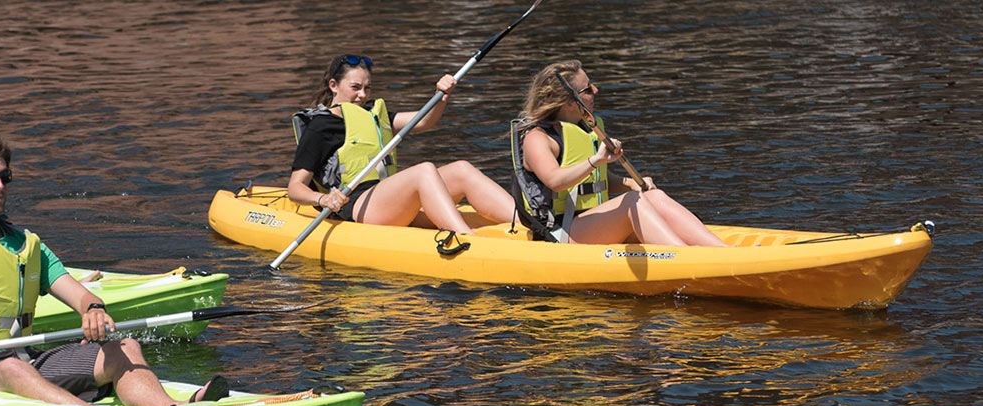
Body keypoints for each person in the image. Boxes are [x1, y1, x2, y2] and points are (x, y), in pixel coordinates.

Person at [0, 129, 228, 406]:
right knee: (12, 370)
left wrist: (93, 310)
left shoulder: (26, 245)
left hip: (25, 358)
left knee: (125, 347)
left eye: (5, 177)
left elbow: (80, 295)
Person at [287, 54, 515, 235]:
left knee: (461, 169)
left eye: (367, 88)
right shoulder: (321, 126)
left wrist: (441, 95)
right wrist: (323, 198)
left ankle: (529, 223)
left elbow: (425, 120)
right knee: (423, 171)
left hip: (387, 201)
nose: (362, 95)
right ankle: (466, 240)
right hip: (356, 208)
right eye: (355, 87)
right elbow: (295, 188)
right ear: (333, 85)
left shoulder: (374, 116)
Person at [513, 60, 729, 246]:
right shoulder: (538, 138)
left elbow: (592, 180)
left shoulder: (584, 128)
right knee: (630, 203)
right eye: (587, 89)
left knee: (652, 196)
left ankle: (722, 251)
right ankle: (687, 259)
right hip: (559, 232)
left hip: (586, 223)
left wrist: (630, 182)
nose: (596, 90)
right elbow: (555, 181)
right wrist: (596, 160)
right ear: (570, 101)